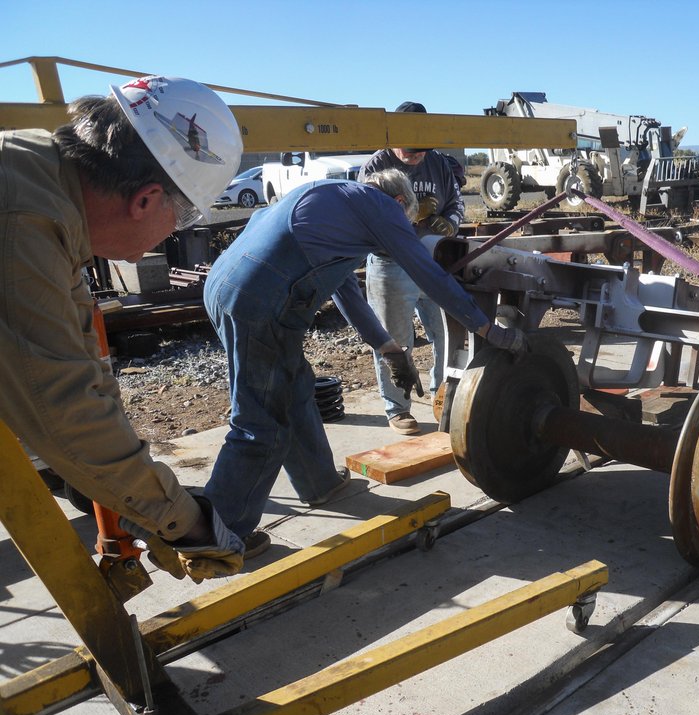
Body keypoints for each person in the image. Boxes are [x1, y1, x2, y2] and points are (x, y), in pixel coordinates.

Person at [0, 75, 246, 582]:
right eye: (177, 221)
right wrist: (185, 522)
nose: (171, 235)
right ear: (145, 200)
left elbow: (79, 350)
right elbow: (60, 405)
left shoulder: (44, 181)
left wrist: (113, 481)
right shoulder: (25, 218)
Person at [202, 168, 525, 554]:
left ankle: (320, 483)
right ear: (401, 203)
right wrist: (489, 329)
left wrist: (389, 348)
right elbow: (429, 275)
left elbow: (345, 293)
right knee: (261, 420)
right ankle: (219, 533)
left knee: (292, 387)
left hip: (229, 288)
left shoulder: (334, 203)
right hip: (258, 303)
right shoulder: (380, 207)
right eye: (403, 223)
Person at [360, 101, 465, 435]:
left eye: (422, 151)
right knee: (395, 341)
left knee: (447, 335)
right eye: (411, 150)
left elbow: (457, 202)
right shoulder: (377, 165)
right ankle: (397, 408)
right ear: (395, 139)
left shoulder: (438, 164)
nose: (417, 156)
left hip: (432, 261)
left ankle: (442, 396)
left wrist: (449, 223)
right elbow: (366, 218)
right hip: (391, 263)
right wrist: (413, 216)